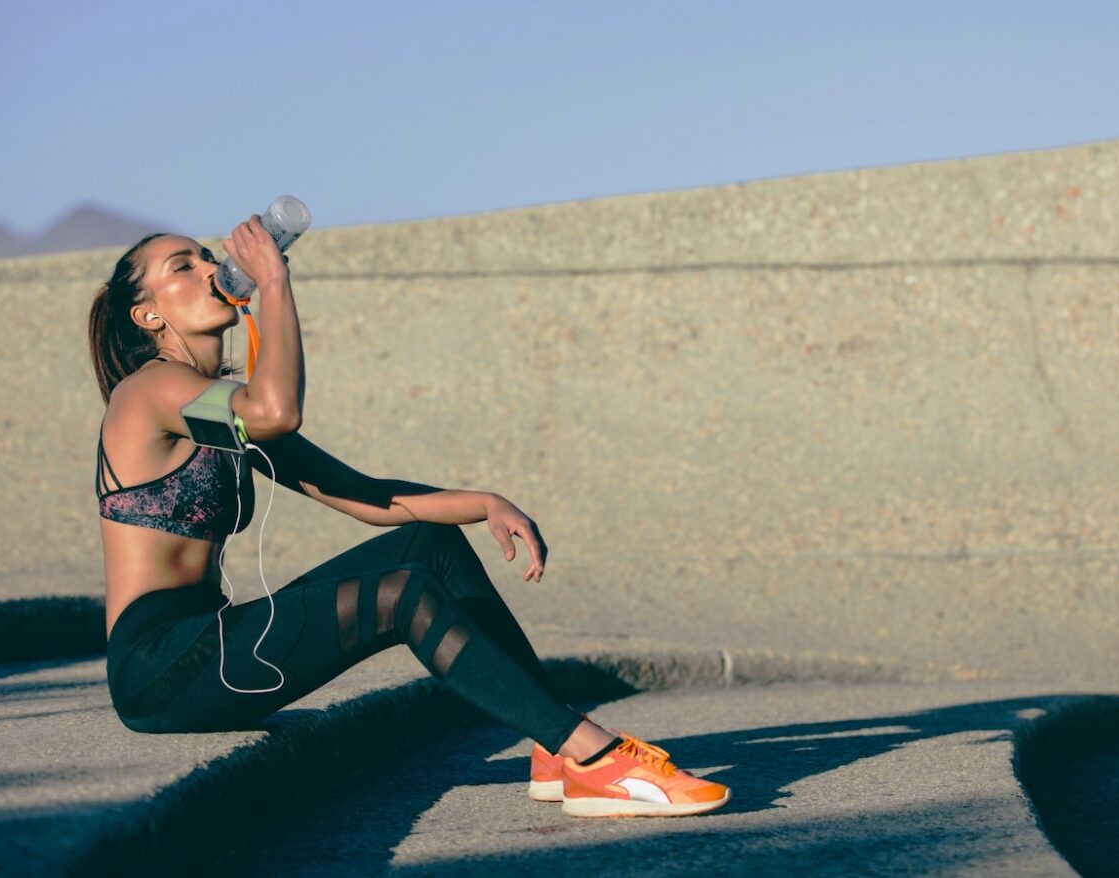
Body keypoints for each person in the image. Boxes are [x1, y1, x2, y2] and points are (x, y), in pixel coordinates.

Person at [86, 215, 729, 818]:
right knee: (399, 595)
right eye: (182, 267)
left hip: (208, 638)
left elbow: (367, 497)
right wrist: (276, 282)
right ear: (147, 314)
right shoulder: (148, 389)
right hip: (161, 669)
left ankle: (554, 743)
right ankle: (594, 755)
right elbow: (277, 409)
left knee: (428, 543)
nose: (208, 268)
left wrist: (481, 502)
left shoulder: (215, 407)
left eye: (205, 256)